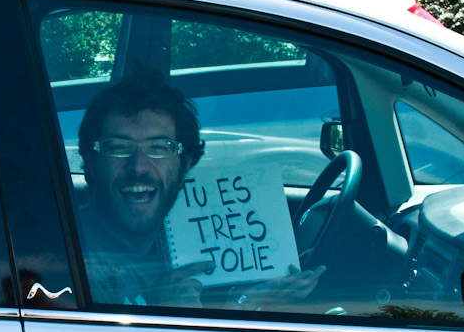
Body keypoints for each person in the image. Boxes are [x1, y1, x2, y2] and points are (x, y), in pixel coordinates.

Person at [76, 75, 320, 308]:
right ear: (90, 161)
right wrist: (164, 316)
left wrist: (255, 298)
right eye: (118, 147)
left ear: (186, 164)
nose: (138, 166)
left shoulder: (177, 238)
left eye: (159, 147)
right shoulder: (72, 258)